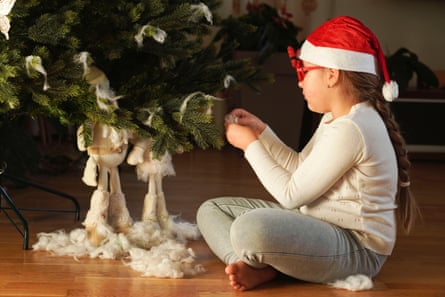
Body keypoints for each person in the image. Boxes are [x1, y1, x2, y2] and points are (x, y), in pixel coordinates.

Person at [196, 15, 419, 291]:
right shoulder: (335, 117)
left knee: (249, 229)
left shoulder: (354, 127)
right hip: (316, 224)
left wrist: (250, 146)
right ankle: (249, 266)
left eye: (305, 72)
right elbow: (302, 168)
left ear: (332, 74)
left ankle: (260, 264)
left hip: (357, 250)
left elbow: (291, 196)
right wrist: (263, 133)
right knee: (211, 210)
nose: (300, 82)